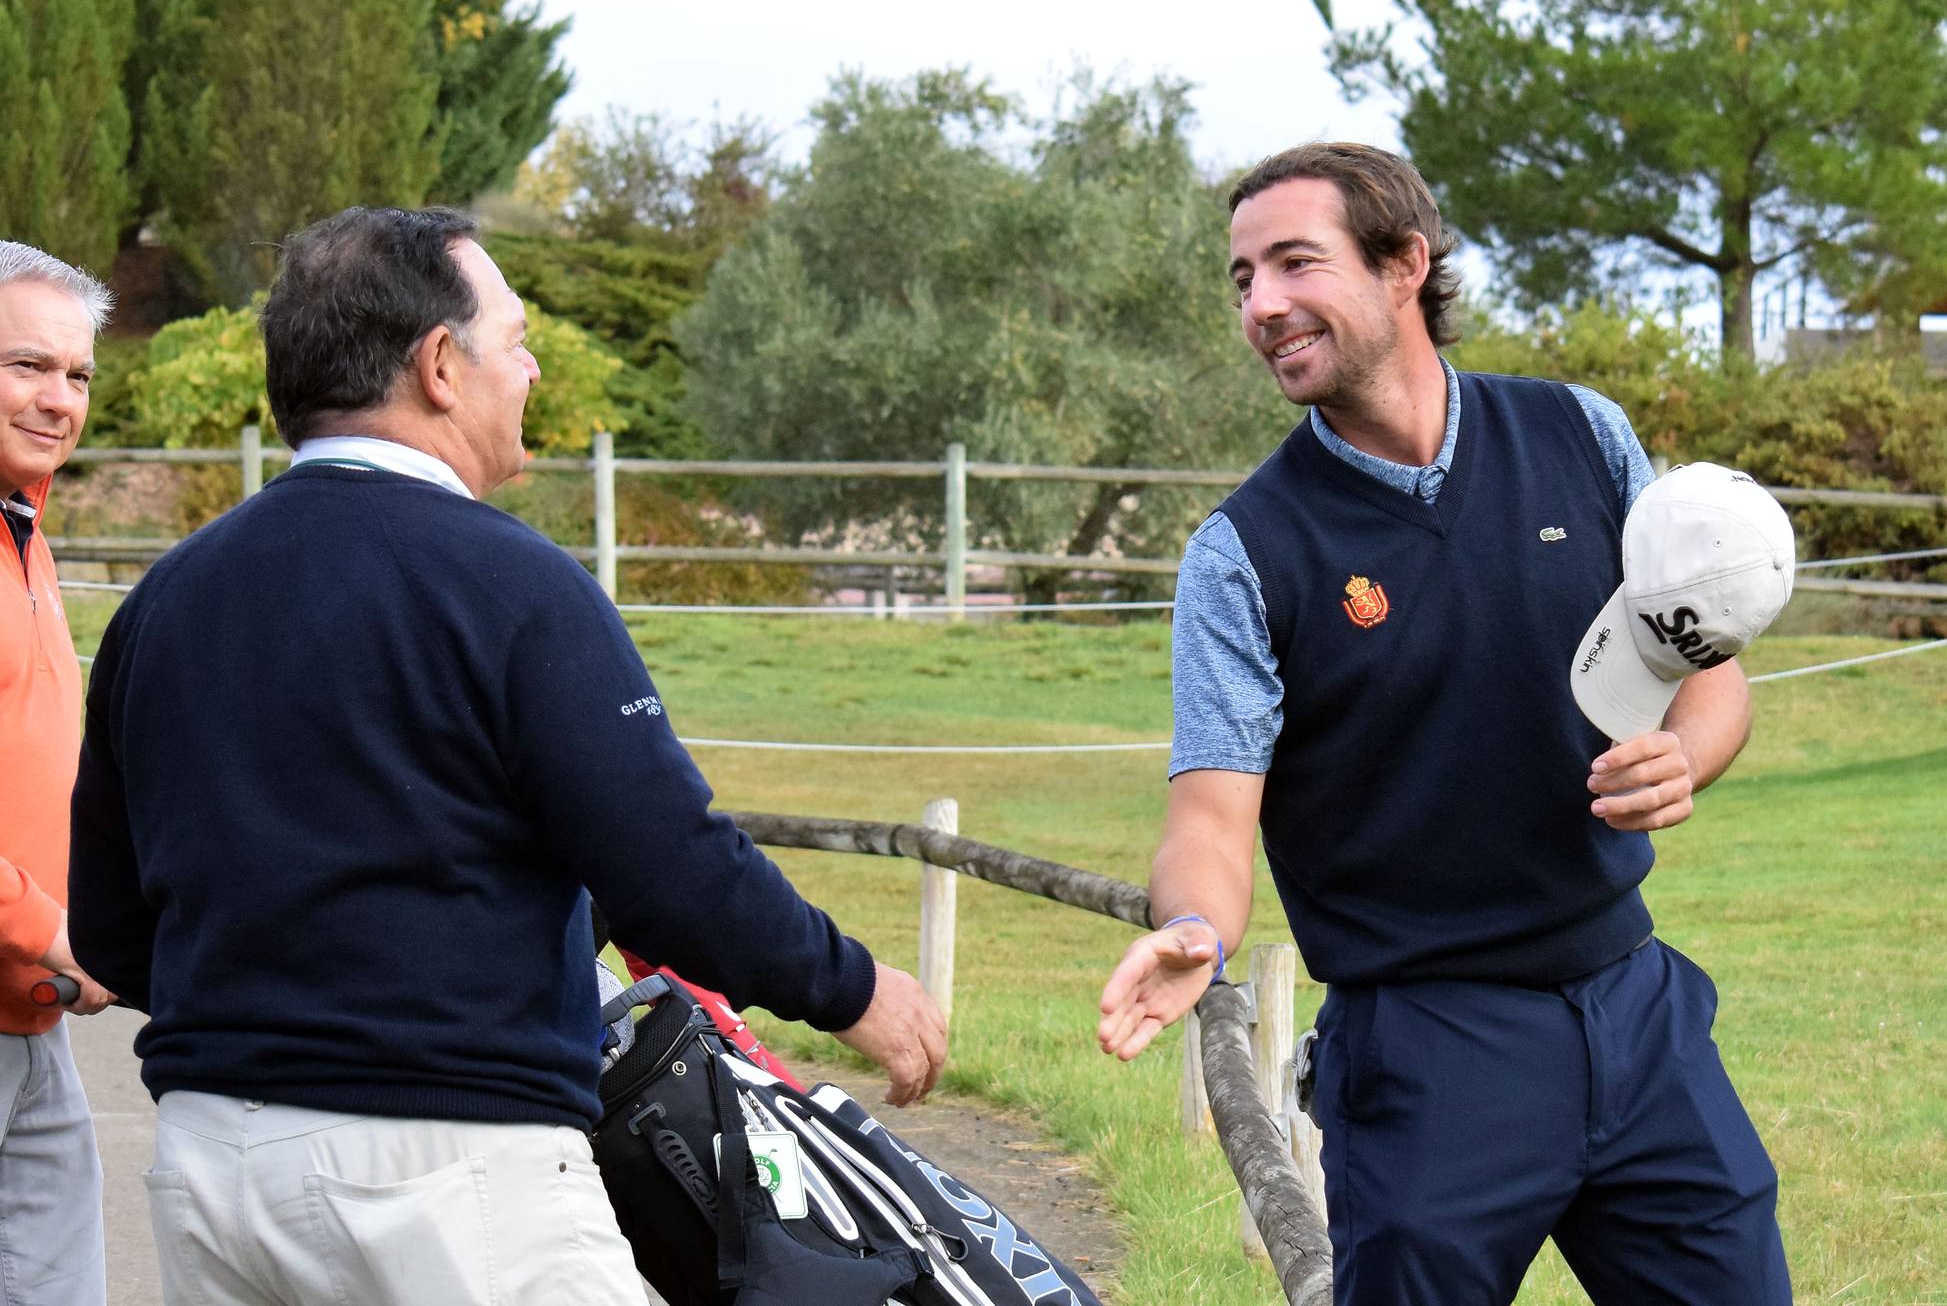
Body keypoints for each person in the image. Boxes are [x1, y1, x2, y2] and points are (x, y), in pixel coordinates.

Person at [67, 206, 947, 1306]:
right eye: (516, 338)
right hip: (446, 1164)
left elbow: (109, 927)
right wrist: (856, 989)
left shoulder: (162, 604)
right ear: (441, 363)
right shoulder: (515, 584)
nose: (530, 369)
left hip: (211, 1169)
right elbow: (671, 864)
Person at [1096, 144, 1790, 1304]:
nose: (1261, 305)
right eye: (1241, 279)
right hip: (1428, 1055)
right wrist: (1192, 930)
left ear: (1406, 264)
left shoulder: (1583, 437)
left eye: (1294, 263)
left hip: (1637, 1007)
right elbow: (1212, 818)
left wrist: (1691, 754)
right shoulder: (1245, 554)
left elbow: (1709, 674)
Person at [0, 241, 117, 1306]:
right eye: (27, 366)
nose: (57, 400)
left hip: (31, 1019)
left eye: (77, 376)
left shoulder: (24, 535)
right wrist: (46, 928)